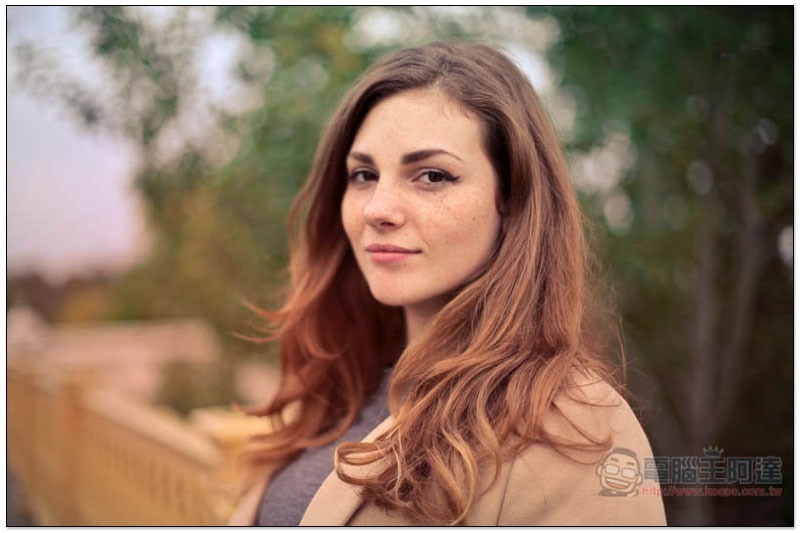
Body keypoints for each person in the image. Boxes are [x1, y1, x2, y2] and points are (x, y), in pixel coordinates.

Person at [228, 41, 666, 526]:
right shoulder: (341, 387)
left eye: (432, 176)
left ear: (512, 199)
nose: (378, 209)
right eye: (364, 175)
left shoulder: (575, 428)